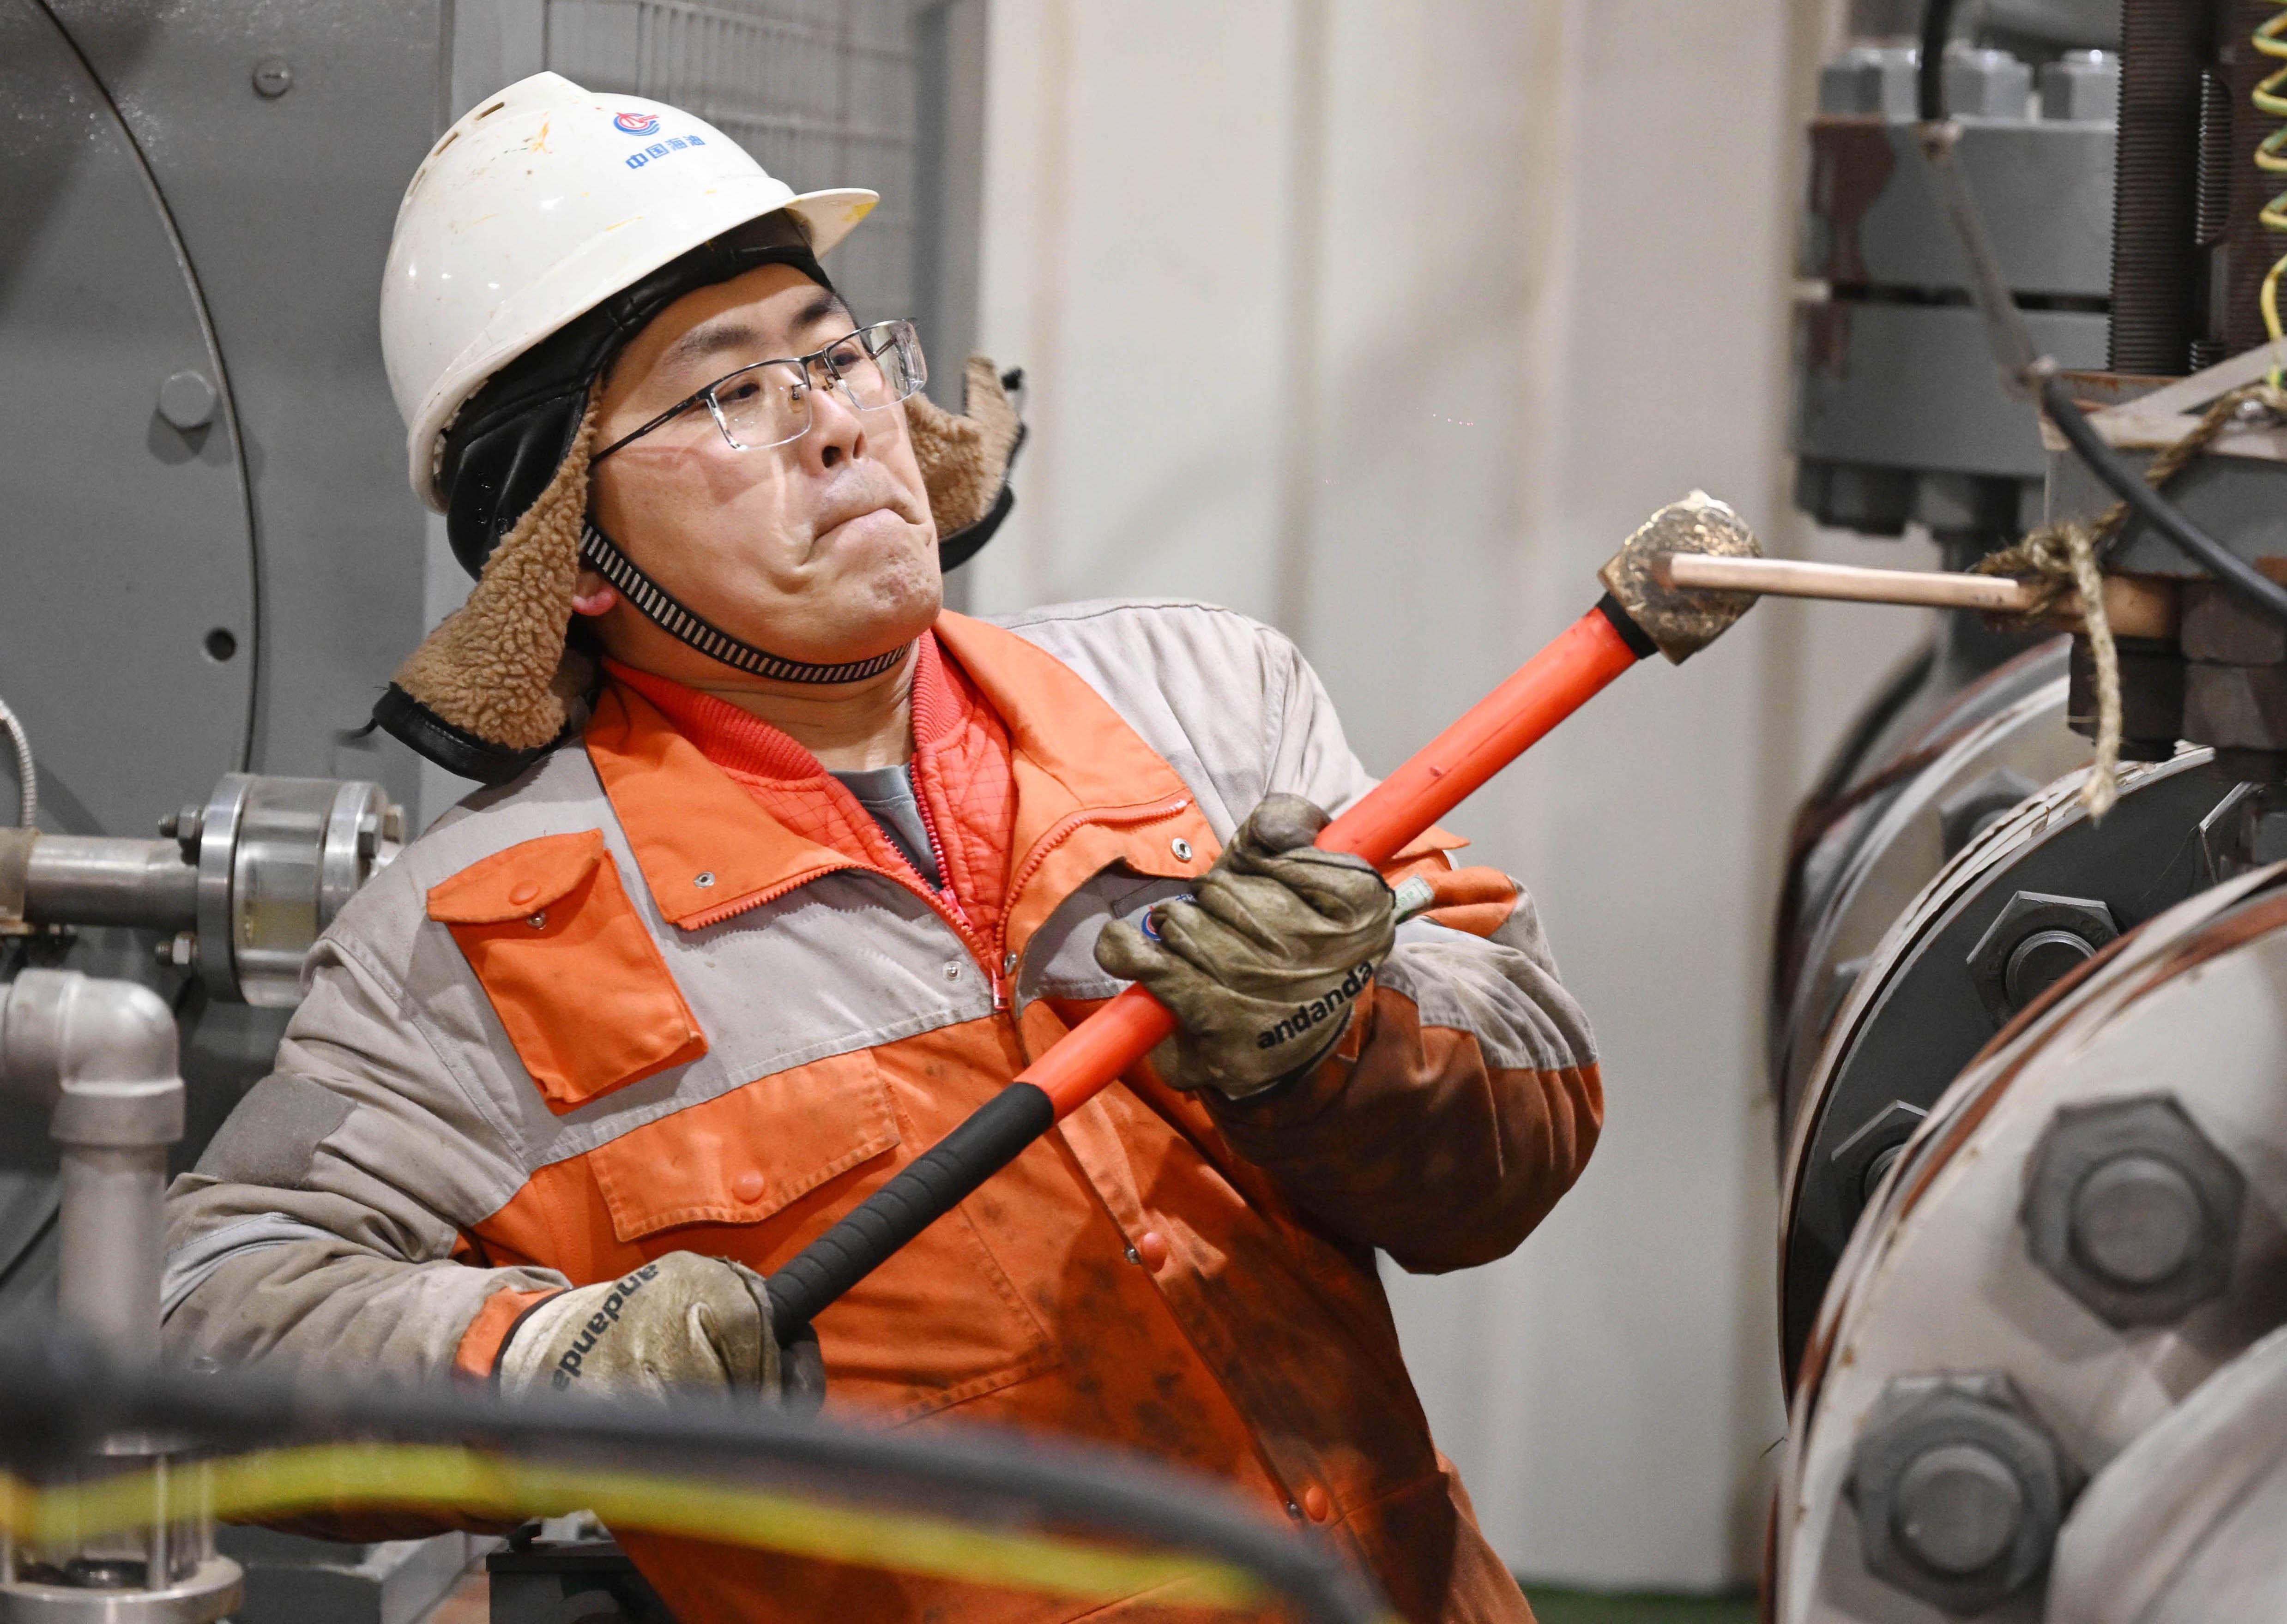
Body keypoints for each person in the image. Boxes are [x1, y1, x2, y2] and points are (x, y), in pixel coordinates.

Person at [163, 73, 1603, 1624]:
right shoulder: (475, 940)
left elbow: (1526, 1124)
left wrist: (1343, 1039)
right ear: (564, 555)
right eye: (727, 393)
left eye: (836, 354)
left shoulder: (1204, 703)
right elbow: (212, 1320)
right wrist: (540, 1363)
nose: (839, 422)